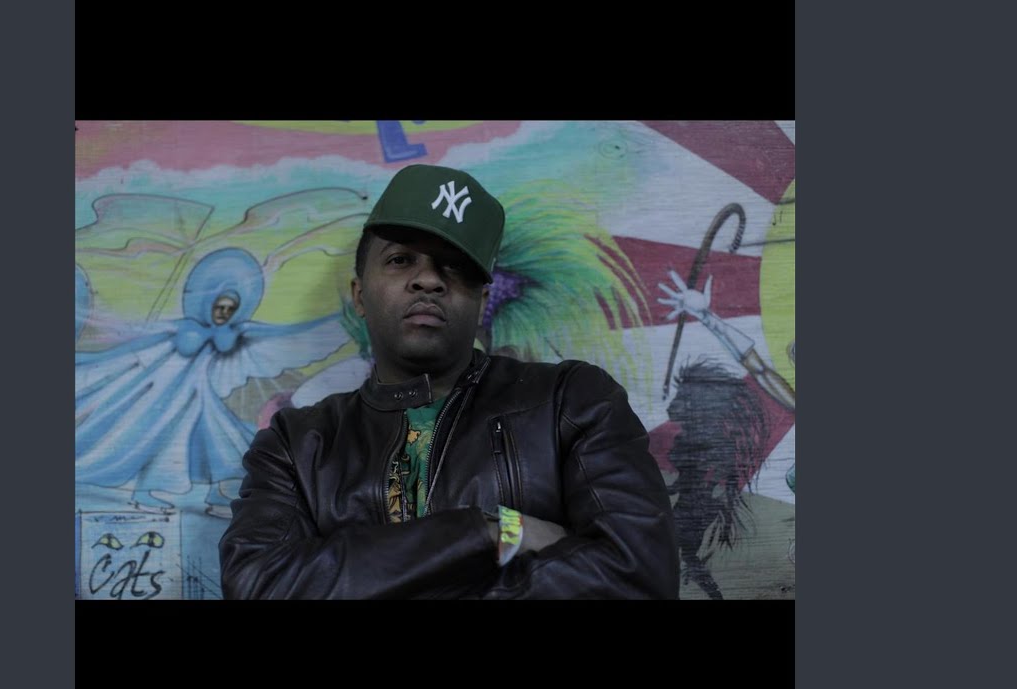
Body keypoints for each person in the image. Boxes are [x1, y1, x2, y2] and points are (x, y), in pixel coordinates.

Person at [219, 164, 678, 599]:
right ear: (360, 295)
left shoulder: (571, 401)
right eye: (401, 259)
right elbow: (258, 583)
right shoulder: (297, 445)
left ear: (482, 302)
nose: (427, 280)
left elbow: (639, 575)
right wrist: (489, 531)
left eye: (453, 266)